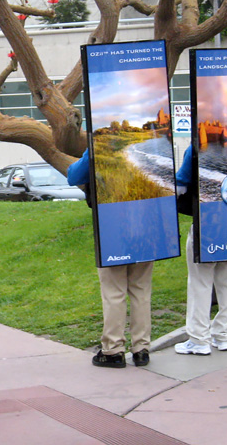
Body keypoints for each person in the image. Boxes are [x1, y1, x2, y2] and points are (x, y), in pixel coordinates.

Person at [67, 149, 153, 368]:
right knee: (141, 289)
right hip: (145, 222)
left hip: (112, 224)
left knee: (114, 291)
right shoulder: (147, 147)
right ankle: (141, 350)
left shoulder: (98, 145)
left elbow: (74, 176)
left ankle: (113, 350)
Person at [174, 145, 227, 356]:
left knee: (200, 282)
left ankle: (199, 339)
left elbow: (182, 182)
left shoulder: (197, 146)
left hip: (207, 222)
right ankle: (222, 335)